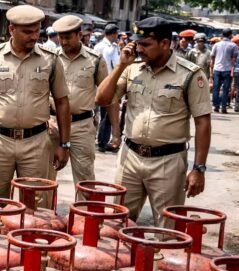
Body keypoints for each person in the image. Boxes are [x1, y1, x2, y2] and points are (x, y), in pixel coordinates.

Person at [96, 17, 211, 226]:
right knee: (117, 225)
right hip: (130, 158)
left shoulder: (190, 74)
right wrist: (120, 66)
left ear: (165, 43)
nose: (139, 49)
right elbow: (102, 99)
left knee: (168, 229)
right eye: (137, 43)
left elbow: (202, 122)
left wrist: (199, 168)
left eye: (146, 44)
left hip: (168, 161)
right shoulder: (132, 68)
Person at [0, 5, 71, 198]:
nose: (34, 36)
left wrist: (64, 144)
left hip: (36, 143)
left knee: (33, 204)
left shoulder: (50, 59)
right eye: (28, 32)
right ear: (11, 29)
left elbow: (62, 102)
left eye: (37, 31)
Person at [48, 15, 119, 186]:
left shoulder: (94, 60)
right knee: (44, 181)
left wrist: (116, 131)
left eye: (67, 37)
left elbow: (109, 96)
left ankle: (84, 205)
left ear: (79, 35)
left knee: (85, 181)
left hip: (81, 126)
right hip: (52, 124)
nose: (63, 42)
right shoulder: (50, 58)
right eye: (60, 37)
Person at [94, 23, 120, 152]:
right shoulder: (100, 47)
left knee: (110, 114)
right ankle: (102, 142)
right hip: (104, 83)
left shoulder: (114, 46)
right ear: (114, 34)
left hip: (114, 83)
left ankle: (105, 140)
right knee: (104, 114)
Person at [211, 28, 238, 114]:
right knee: (226, 89)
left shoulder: (216, 45)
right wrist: (232, 69)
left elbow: (212, 58)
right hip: (227, 69)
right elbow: (234, 60)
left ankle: (216, 106)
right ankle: (223, 107)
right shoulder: (233, 46)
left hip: (217, 69)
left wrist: (211, 70)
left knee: (216, 88)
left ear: (222, 35)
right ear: (230, 35)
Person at [233, 34, 239, 112]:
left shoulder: (235, 52)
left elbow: (233, 62)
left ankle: (236, 106)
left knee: (237, 88)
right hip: (237, 71)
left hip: (236, 71)